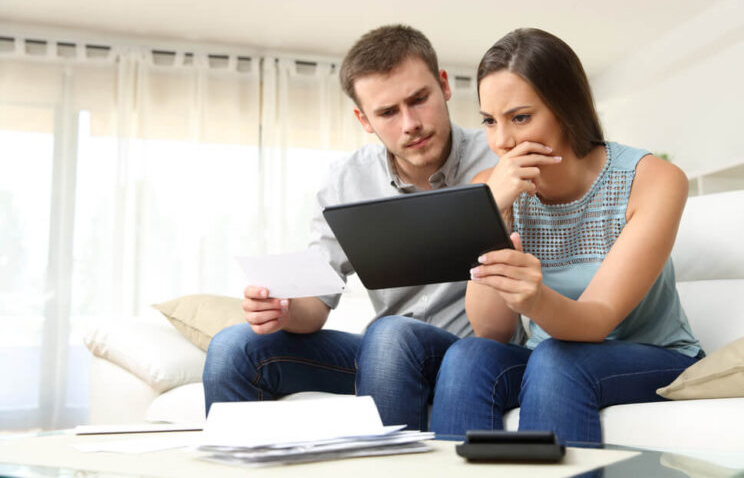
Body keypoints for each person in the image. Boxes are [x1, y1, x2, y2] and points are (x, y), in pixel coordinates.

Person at [202, 25, 497, 430]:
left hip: (469, 355)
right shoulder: (346, 181)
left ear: (444, 85)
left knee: (391, 335)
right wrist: (283, 308)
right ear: (364, 119)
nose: (409, 123)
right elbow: (314, 309)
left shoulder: (498, 156)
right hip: (384, 356)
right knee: (232, 346)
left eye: (419, 100)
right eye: (388, 112)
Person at [429, 28, 703, 443]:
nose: (501, 142)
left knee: (559, 359)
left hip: (655, 356)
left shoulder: (653, 180)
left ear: (566, 109)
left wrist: (536, 299)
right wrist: (494, 212)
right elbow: (491, 330)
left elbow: (597, 320)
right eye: (489, 121)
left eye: (520, 118)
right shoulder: (492, 185)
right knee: (467, 354)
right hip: (548, 357)